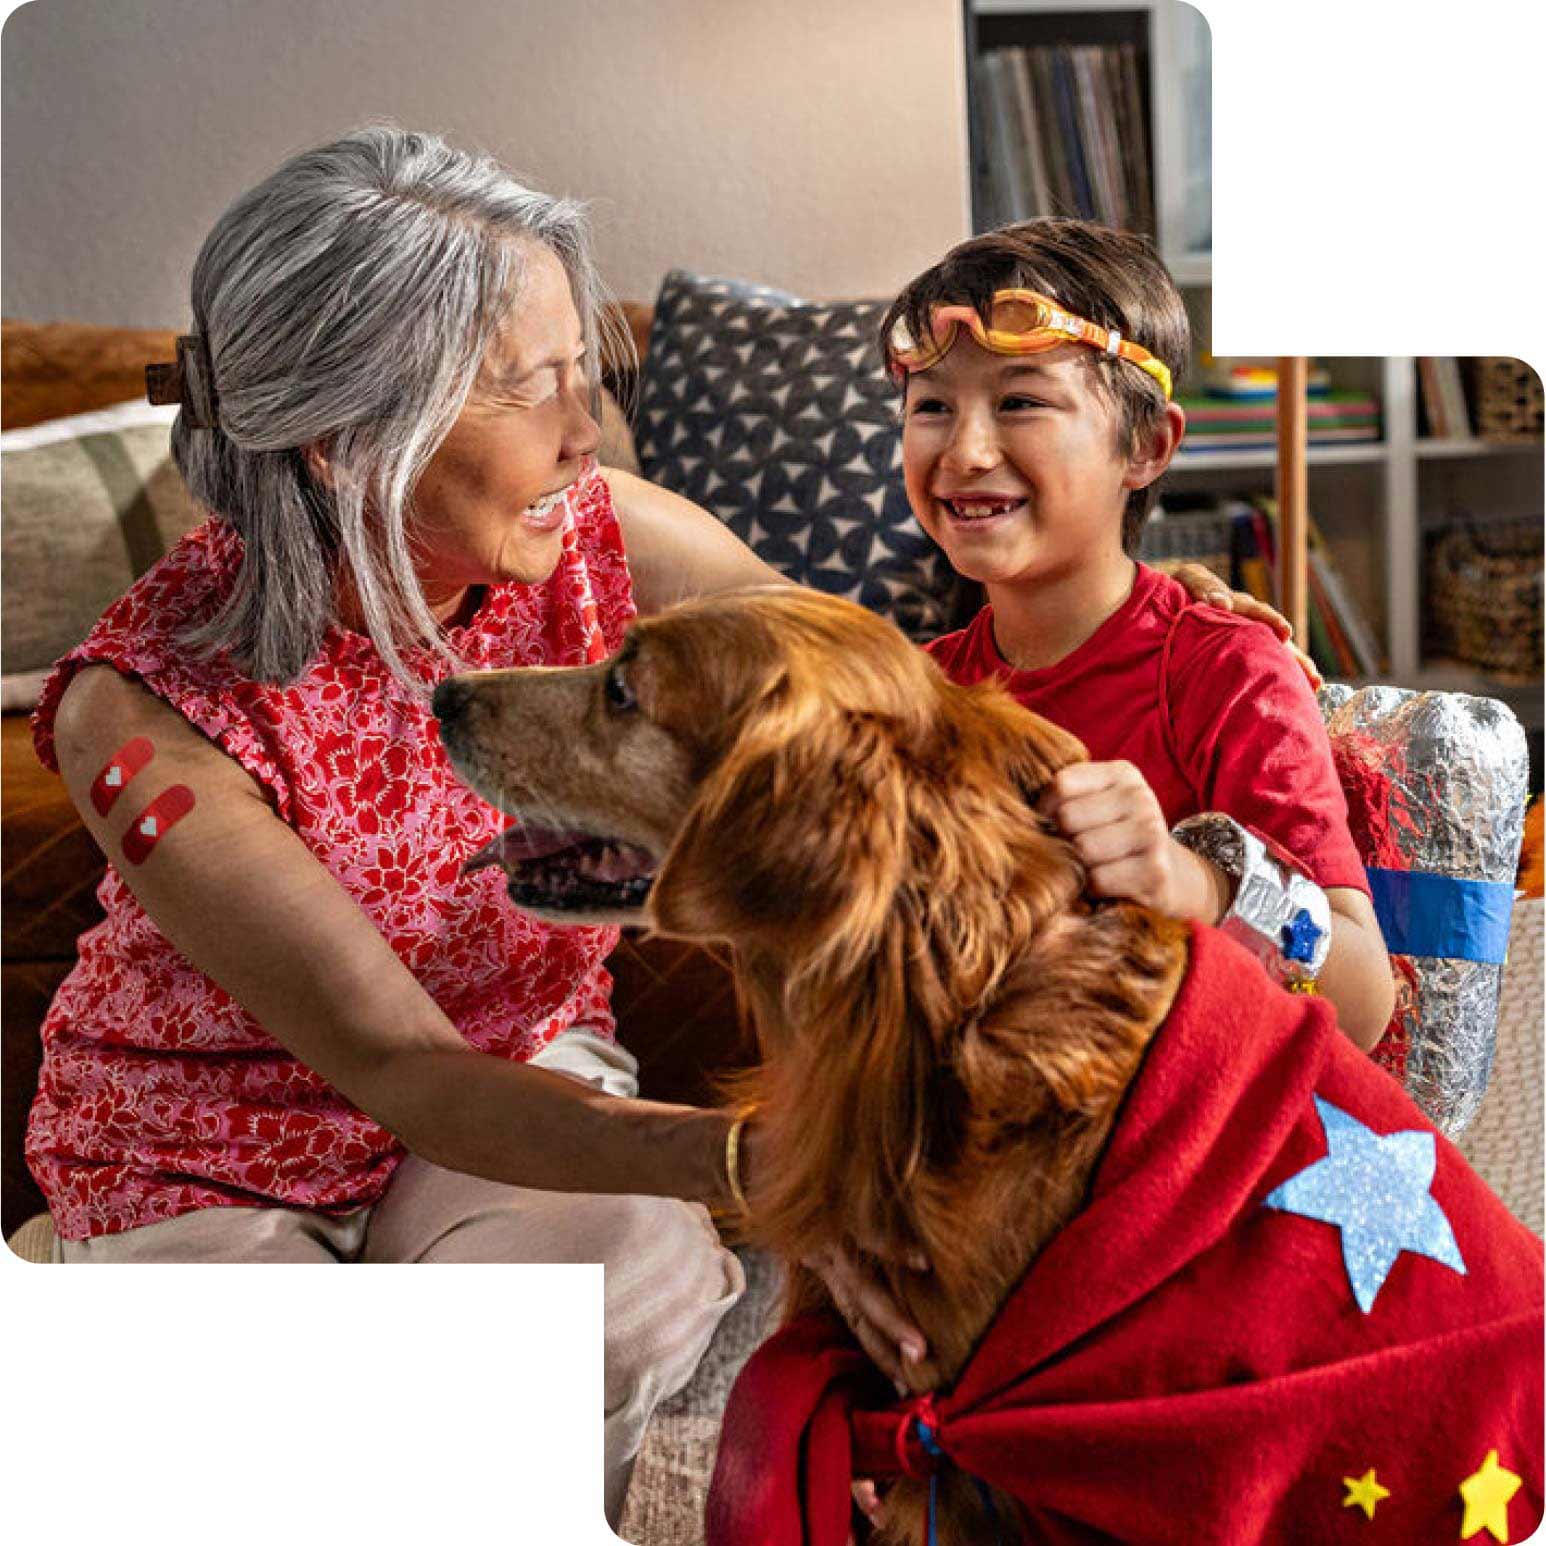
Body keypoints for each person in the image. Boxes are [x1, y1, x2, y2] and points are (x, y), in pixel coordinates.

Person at [26, 131, 1295, 1519]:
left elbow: (870, 703)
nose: (584, 432)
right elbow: (399, 1060)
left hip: (518, 1068)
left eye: (585, 373)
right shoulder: (135, 715)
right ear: (342, 437)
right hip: (208, 1152)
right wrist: (785, 1167)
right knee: (302, 1460)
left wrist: (1133, 620)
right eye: (528, 389)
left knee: (636, 1281)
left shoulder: (605, 527)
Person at [825, 220, 1399, 1420]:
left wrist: (1192, 884)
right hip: (981, 1185)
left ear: (1148, 446)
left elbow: (1358, 993)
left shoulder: (1226, 671)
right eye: (930, 408)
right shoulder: (912, 692)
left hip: (1193, 1185)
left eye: (1022, 402)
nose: (965, 449)